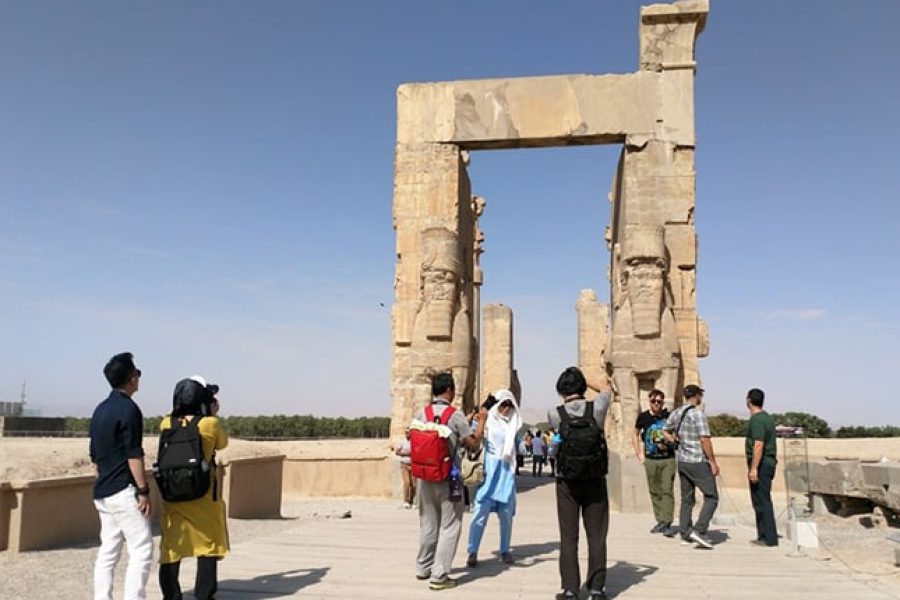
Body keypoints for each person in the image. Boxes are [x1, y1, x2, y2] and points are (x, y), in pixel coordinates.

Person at [412, 372, 486, 591]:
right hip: (448, 477)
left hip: (425, 477)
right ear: (450, 390)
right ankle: (440, 574)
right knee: (450, 526)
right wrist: (480, 423)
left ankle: (423, 567)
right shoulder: (455, 415)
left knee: (428, 523)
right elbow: (472, 444)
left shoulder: (422, 413)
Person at [158, 376, 229, 600]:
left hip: (174, 494)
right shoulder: (210, 424)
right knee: (207, 545)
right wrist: (213, 413)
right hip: (203, 494)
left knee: (171, 547)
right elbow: (222, 443)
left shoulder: (166, 423)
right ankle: (204, 595)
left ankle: (171, 595)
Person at [90, 352, 154, 600]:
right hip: (123, 491)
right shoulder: (129, 409)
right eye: (137, 373)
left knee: (108, 551)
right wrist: (143, 490)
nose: (139, 377)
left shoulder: (100, 409)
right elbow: (133, 454)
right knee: (141, 549)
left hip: (103, 491)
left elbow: (94, 455)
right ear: (130, 378)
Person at [547, 366, 610, 600]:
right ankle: (596, 589)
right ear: (582, 387)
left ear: (561, 390)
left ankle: (570, 589)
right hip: (595, 479)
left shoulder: (555, 414)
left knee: (568, 536)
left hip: (567, 481)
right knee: (596, 536)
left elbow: (555, 447)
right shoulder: (598, 408)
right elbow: (607, 388)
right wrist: (586, 378)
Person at [466, 389, 521, 568]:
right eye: (503, 405)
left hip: (506, 472)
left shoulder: (513, 424)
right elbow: (471, 433)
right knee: (480, 512)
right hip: (490, 470)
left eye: (509, 405)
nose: (506, 409)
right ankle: (472, 551)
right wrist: (477, 416)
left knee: (506, 515)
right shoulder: (487, 420)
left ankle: (505, 549)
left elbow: (517, 447)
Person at [663, 384, 719, 550]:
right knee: (712, 496)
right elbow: (704, 440)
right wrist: (713, 461)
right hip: (697, 460)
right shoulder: (697, 414)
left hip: (682, 460)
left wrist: (676, 442)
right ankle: (699, 530)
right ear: (697, 395)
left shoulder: (677, 412)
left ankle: (685, 533)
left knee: (687, 498)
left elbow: (665, 430)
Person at [632, 389, 676, 536]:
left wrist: (669, 441)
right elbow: (635, 433)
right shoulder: (643, 417)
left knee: (667, 490)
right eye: (653, 401)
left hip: (667, 459)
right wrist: (638, 453)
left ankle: (667, 521)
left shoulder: (668, 416)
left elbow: (675, 434)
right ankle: (660, 520)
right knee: (655, 490)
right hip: (651, 459)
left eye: (659, 401)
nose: (656, 404)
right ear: (649, 401)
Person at [745, 387, 778, 547]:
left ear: (749, 400)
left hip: (762, 464)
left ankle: (769, 538)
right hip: (765, 463)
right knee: (759, 500)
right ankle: (763, 535)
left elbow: (758, 444)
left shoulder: (758, 420)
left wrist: (753, 468)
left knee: (763, 500)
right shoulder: (765, 418)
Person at [395, 427, 416, 509]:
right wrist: (405, 453)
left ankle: (412, 500)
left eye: (408, 433)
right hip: (404, 465)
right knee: (407, 483)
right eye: (406, 433)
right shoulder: (402, 442)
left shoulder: (414, 442)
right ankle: (406, 501)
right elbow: (397, 452)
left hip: (413, 465)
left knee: (414, 485)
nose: (407, 434)